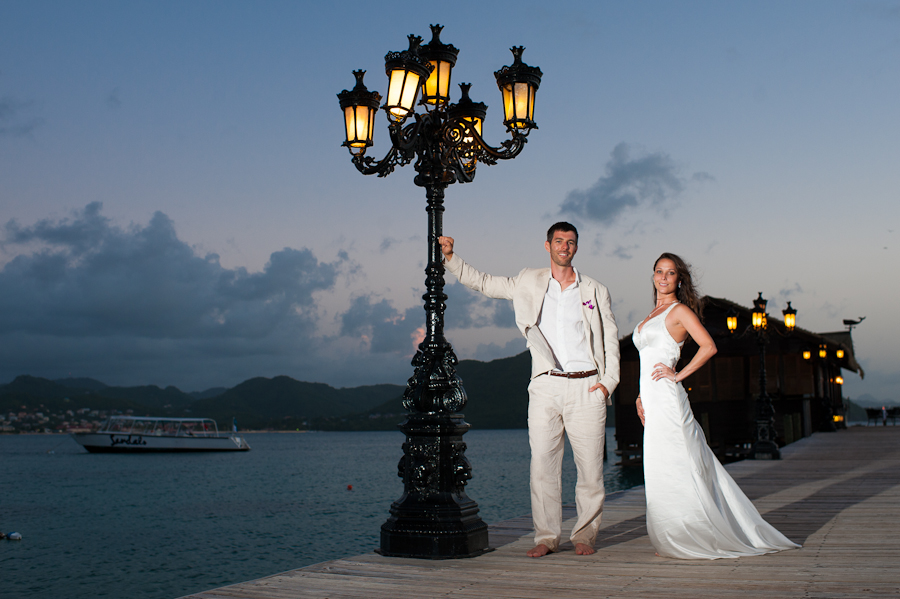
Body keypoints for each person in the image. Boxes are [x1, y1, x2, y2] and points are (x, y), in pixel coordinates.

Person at [439, 222, 620, 558]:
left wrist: (608, 384)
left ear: (576, 248)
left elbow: (610, 338)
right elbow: (485, 283)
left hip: (588, 386)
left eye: (571, 242)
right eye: (559, 241)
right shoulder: (528, 280)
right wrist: (450, 257)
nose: (565, 247)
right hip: (545, 385)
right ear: (548, 245)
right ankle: (547, 536)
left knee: (591, 470)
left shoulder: (595, 289)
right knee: (543, 466)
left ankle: (585, 535)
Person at [634, 252, 800, 559]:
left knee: (680, 464)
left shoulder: (679, 310)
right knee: (660, 466)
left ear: (679, 279)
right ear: (653, 275)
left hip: (669, 399)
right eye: (659, 271)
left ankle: (691, 532)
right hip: (652, 399)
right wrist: (641, 396)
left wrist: (677, 374)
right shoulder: (651, 315)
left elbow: (709, 346)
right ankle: (671, 533)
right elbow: (646, 361)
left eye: (670, 273)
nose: (663, 277)